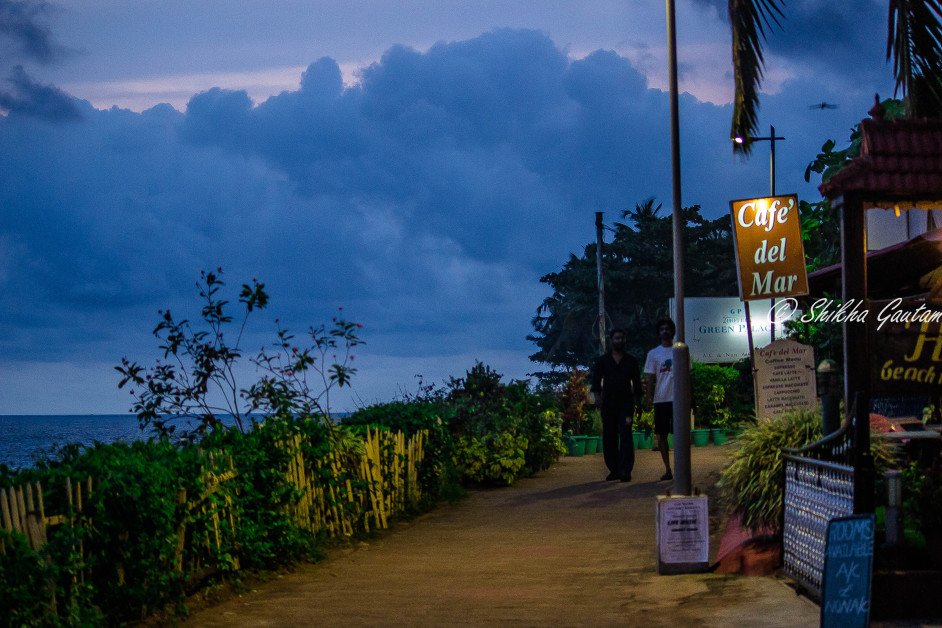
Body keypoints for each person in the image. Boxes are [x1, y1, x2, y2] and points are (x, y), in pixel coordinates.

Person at [591, 328, 643, 482]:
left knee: (626, 435)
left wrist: (639, 404)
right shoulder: (603, 361)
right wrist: (598, 399)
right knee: (609, 436)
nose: (619, 341)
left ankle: (626, 470)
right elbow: (595, 382)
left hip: (626, 404)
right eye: (616, 338)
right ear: (611, 340)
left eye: (621, 338)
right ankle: (614, 469)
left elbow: (637, 385)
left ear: (624, 340)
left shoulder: (631, 361)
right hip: (608, 404)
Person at [644, 318, 676, 481]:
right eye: (662, 329)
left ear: (672, 331)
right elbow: (649, 378)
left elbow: (688, 376)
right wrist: (648, 399)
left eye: (667, 328)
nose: (665, 331)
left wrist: (690, 399)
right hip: (661, 399)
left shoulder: (680, 350)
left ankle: (681, 467)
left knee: (680, 435)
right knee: (661, 436)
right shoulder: (653, 354)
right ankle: (668, 469)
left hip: (677, 399)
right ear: (658, 333)